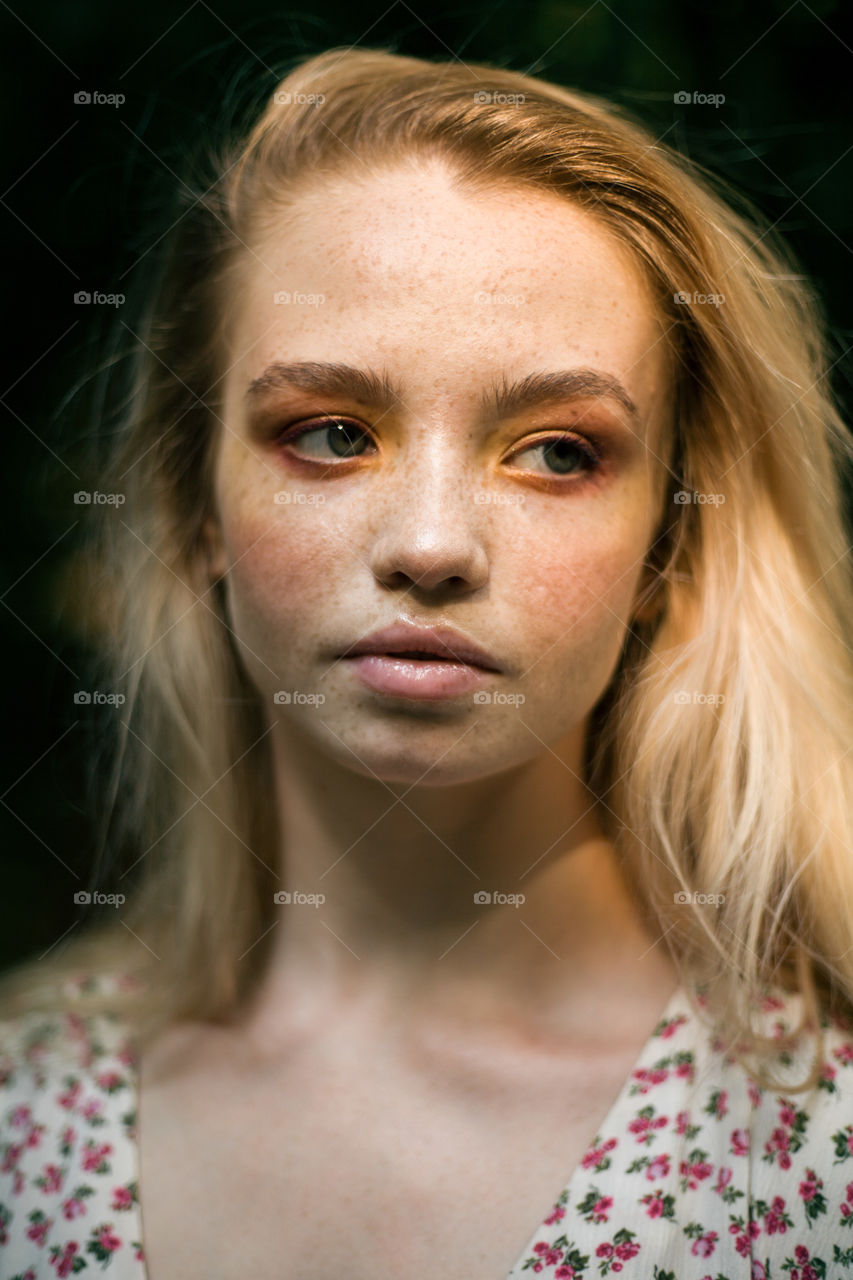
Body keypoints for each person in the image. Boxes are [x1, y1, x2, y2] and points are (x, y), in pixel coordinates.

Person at [1, 45, 852, 1280]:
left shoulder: (817, 1153)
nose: (432, 544)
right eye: (333, 434)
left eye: (558, 451)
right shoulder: (24, 1120)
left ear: (672, 538)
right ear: (195, 506)